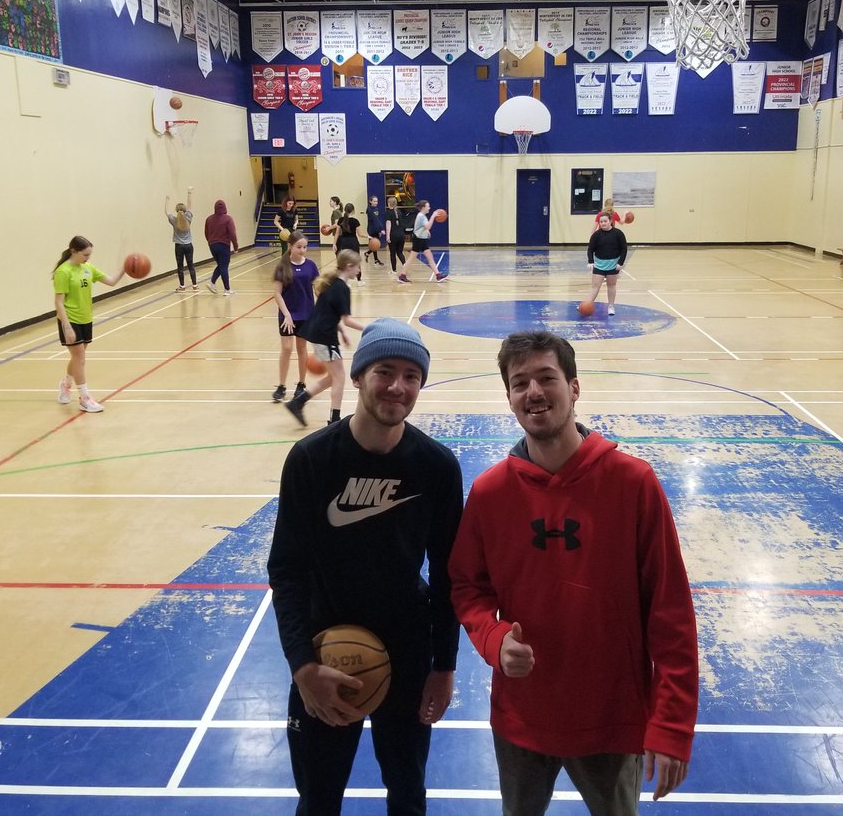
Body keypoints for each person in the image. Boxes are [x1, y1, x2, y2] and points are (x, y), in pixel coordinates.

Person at [449, 330, 699, 813]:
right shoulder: (490, 493)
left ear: (575, 387)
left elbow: (670, 611)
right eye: (520, 383)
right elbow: (467, 587)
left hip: (612, 718)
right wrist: (493, 639)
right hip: (521, 715)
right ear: (508, 397)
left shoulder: (633, 483)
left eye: (547, 378)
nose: (534, 392)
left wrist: (671, 722)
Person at [267, 318, 463, 816]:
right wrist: (302, 665)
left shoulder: (437, 467)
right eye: (385, 371)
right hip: (324, 652)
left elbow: (448, 576)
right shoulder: (311, 460)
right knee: (318, 800)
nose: (398, 386)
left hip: (407, 654)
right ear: (357, 376)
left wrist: (443, 666)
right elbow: (287, 569)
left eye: (411, 376)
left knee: (408, 794)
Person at [285, 250, 365, 427]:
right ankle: (334, 420)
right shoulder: (342, 287)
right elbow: (347, 320)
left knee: (333, 377)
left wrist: (342, 332)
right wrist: (369, 328)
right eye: (357, 266)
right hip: (324, 335)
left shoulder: (332, 283)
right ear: (349, 266)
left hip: (319, 332)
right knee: (340, 377)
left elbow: (329, 312)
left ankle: (297, 403)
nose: (359, 270)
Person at [52, 236, 126, 414]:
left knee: (77, 357)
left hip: (86, 318)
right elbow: (59, 302)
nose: (88, 258)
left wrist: (125, 268)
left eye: (89, 255)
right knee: (80, 358)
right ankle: (84, 398)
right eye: (85, 255)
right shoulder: (63, 271)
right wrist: (66, 326)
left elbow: (111, 282)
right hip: (70, 319)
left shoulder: (87, 268)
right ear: (73, 251)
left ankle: (66, 384)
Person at [272, 231, 319, 403]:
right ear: (290, 246)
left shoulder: (311, 266)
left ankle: (301, 384)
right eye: (299, 247)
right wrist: (287, 315)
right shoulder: (282, 267)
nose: (302, 250)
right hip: (287, 314)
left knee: (302, 348)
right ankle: (281, 385)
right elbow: (277, 293)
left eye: (305, 247)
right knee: (286, 348)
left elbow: (317, 289)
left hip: (306, 313)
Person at [585, 211, 628, 315]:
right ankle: (587, 305)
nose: (603, 223)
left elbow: (624, 249)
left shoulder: (618, 233)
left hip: (613, 265)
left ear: (610, 221)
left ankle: (611, 306)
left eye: (605, 221)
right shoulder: (596, 235)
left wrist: (620, 262)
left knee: (611, 285)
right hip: (599, 265)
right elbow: (590, 249)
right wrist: (590, 261)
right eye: (601, 222)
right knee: (595, 286)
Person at [398, 200, 446, 284]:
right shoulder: (421, 216)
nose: (429, 208)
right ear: (423, 207)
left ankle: (438, 275)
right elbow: (428, 226)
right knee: (411, 258)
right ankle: (402, 276)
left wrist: (426, 231)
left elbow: (423, 227)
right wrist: (433, 216)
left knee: (430, 257)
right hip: (418, 239)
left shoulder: (422, 216)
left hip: (422, 239)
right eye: (428, 206)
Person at [166, 187, 198, 292]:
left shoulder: (174, 220)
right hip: (189, 245)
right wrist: (189, 192)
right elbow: (190, 206)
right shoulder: (188, 218)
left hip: (179, 246)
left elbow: (167, 212)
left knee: (180, 267)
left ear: (176, 210)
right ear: (185, 210)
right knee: (191, 265)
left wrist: (167, 201)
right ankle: (195, 285)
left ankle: (182, 286)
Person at [204, 199, 239, 295]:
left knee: (221, 265)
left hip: (212, 245)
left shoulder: (209, 219)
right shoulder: (228, 219)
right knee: (224, 266)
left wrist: (211, 242)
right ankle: (227, 289)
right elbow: (232, 234)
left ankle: (212, 283)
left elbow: (206, 233)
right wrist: (235, 246)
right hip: (224, 245)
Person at [334, 203, 364, 287]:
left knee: (344, 261)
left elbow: (337, 233)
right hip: (353, 242)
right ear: (353, 210)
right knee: (356, 260)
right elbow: (360, 234)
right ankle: (359, 280)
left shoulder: (341, 220)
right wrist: (367, 236)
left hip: (344, 242)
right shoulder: (355, 221)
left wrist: (334, 244)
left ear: (344, 210)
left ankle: (345, 281)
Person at [385, 195, 407, 280]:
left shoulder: (389, 213)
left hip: (393, 235)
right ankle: (405, 265)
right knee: (400, 252)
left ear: (388, 204)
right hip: (401, 235)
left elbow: (388, 224)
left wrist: (387, 236)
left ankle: (394, 270)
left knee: (393, 253)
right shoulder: (399, 212)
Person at [365, 194, 386, 267]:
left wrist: (379, 230)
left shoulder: (376, 209)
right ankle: (372, 257)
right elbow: (375, 220)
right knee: (375, 244)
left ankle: (372, 257)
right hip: (372, 229)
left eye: (377, 201)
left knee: (375, 245)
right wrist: (381, 229)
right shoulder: (369, 210)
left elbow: (379, 219)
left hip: (376, 229)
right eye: (374, 201)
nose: (376, 203)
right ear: (370, 201)